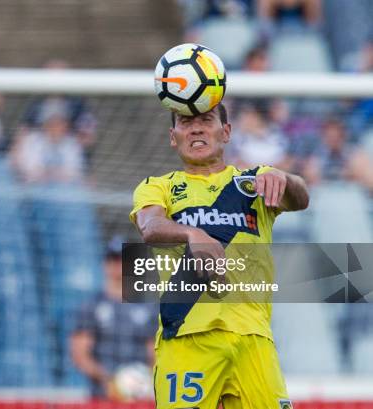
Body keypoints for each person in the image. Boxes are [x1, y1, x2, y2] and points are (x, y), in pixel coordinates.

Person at [130, 103, 309, 409]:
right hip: (187, 339)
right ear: (173, 137)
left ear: (226, 132)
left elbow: (301, 198)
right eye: (186, 122)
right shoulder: (158, 187)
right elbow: (149, 225)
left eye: (206, 120)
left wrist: (285, 178)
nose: (196, 128)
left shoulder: (254, 183)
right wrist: (192, 233)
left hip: (253, 339)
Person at [70, 236, 156, 399]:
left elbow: (154, 353)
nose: (118, 265)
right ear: (105, 265)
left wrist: (145, 379)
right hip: (102, 397)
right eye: (113, 260)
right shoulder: (91, 306)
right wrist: (110, 380)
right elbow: (79, 354)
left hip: (139, 396)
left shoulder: (149, 308)